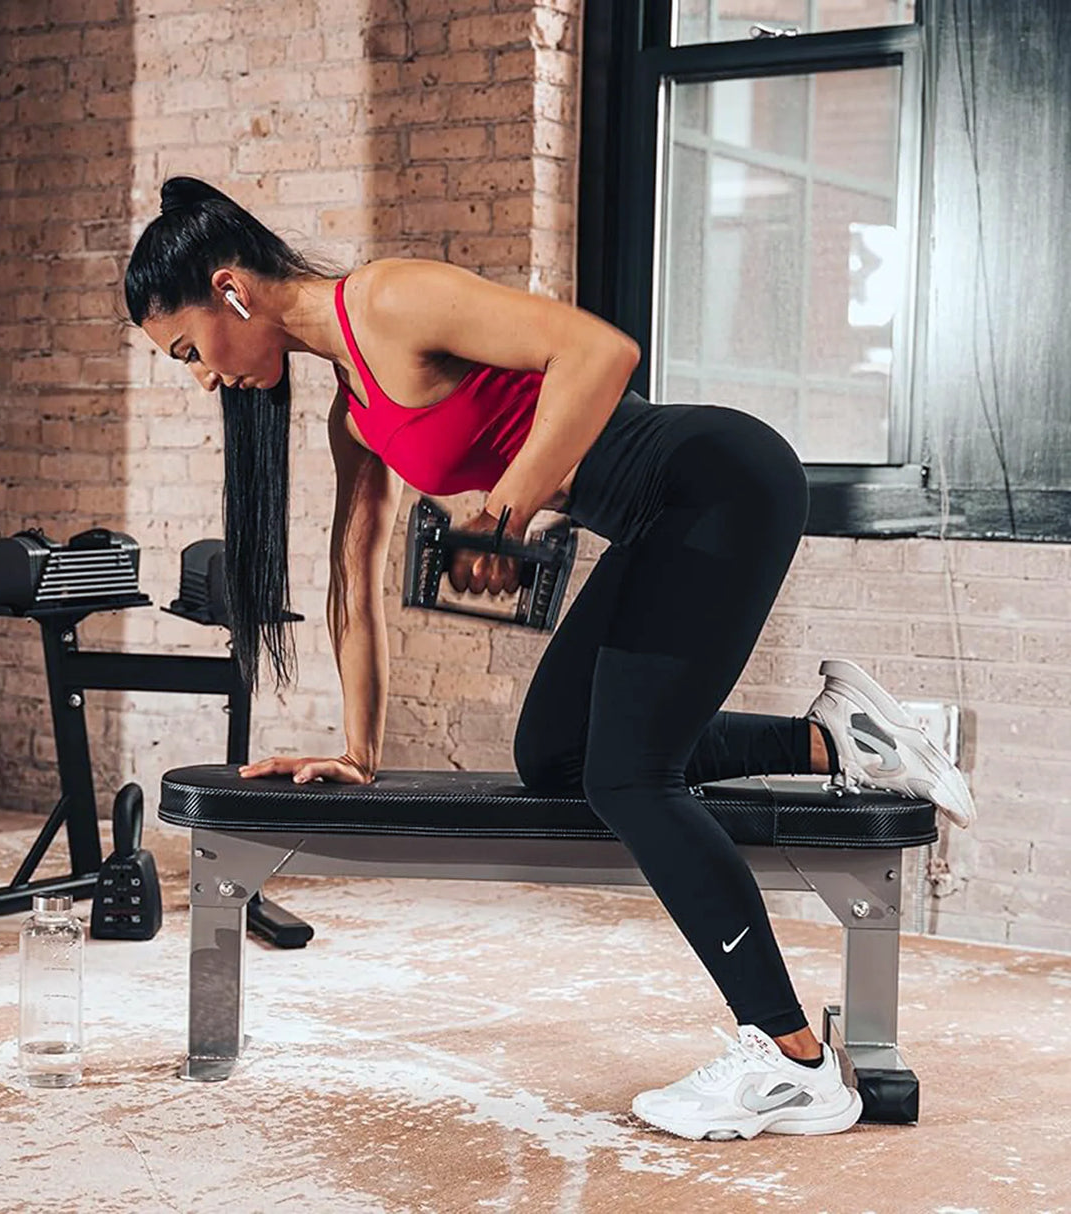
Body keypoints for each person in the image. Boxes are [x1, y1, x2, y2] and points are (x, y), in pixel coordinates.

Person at [125, 176, 976, 1141]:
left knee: (630, 775)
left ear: (230, 290)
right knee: (558, 755)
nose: (201, 377)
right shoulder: (352, 415)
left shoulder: (388, 300)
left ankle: (791, 1058)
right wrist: (359, 752)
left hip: (715, 484)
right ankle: (836, 742)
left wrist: (508, 506)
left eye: (189, 349)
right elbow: (352, 583)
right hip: (661, 521)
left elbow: (600, 350)